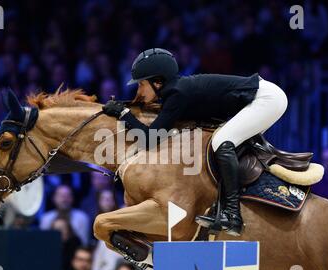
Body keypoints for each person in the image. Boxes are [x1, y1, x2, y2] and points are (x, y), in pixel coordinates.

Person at [102, 48, 288, 236]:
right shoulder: (175, 92)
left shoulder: (177, 93)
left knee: (222, 142)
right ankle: (225, 205)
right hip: (262, 99)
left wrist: (123, 114)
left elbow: (150, 138)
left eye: (142, 84)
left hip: (266, 99)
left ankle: (232, 214)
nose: (139, 91)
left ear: (157, 82)